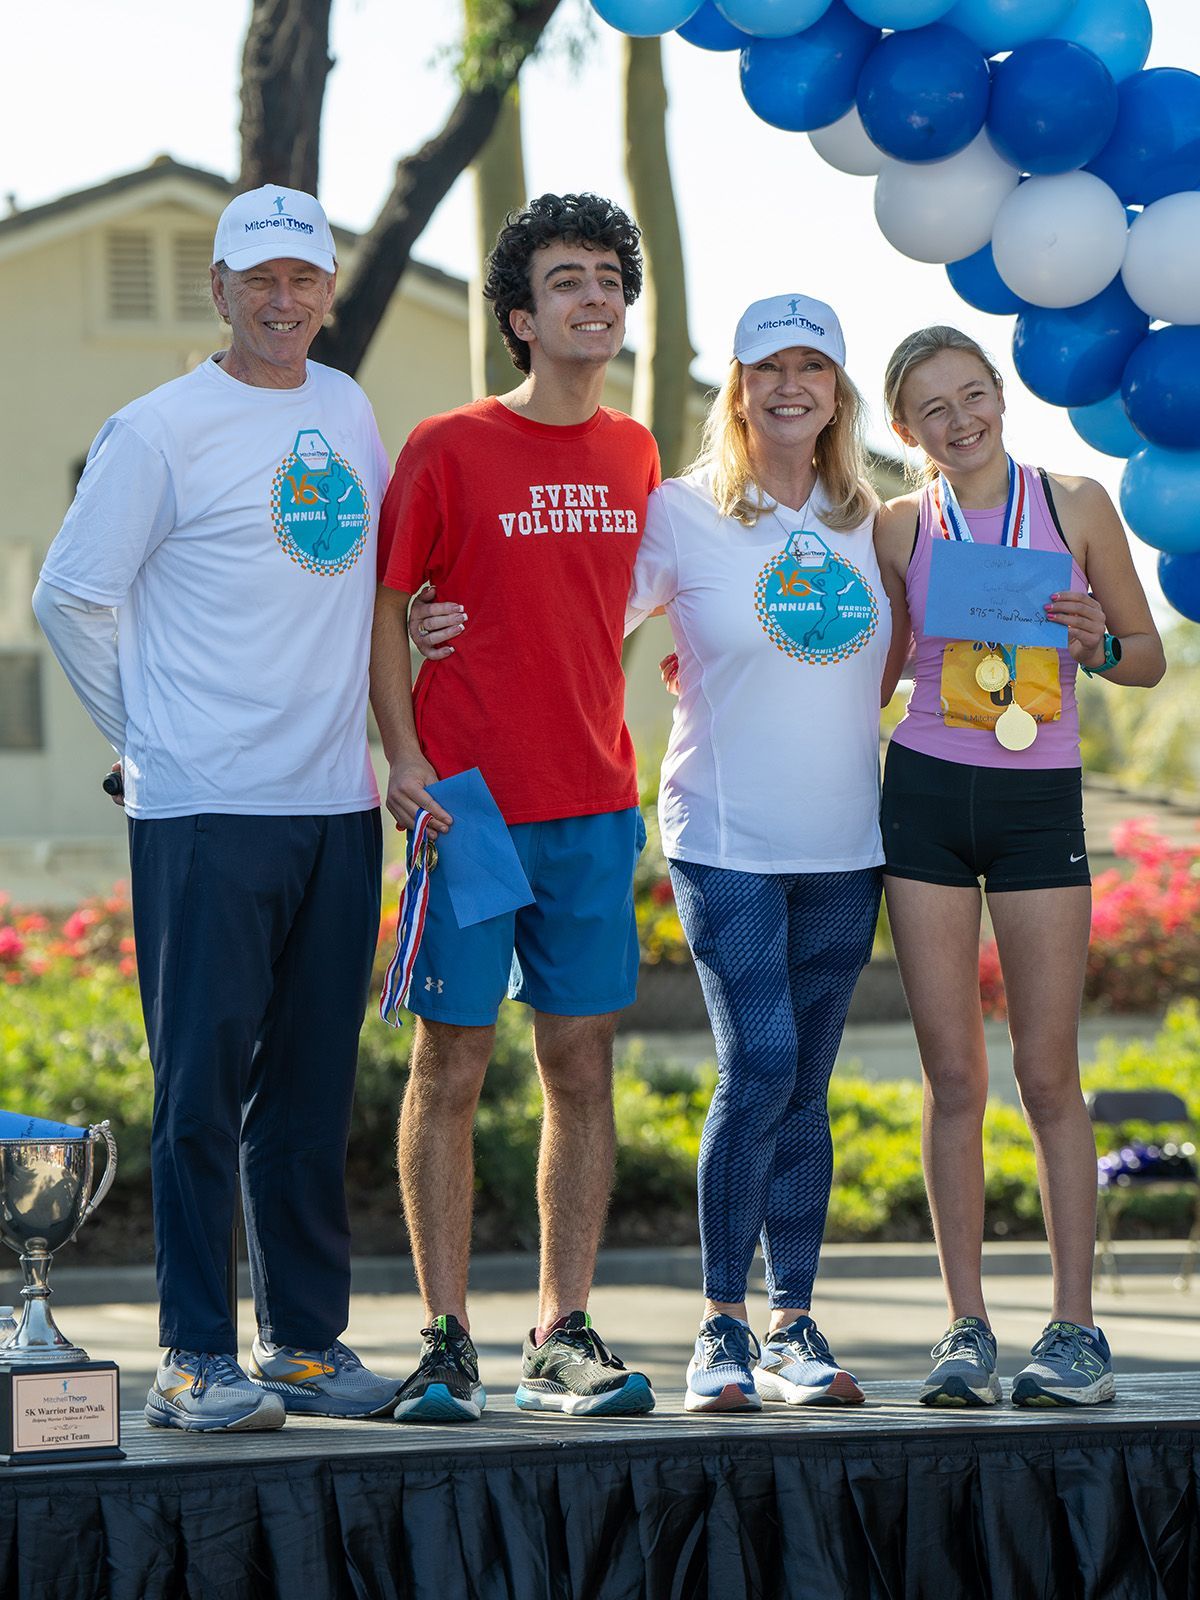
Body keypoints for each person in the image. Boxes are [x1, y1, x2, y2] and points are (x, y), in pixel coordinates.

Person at [414, 293, 890, 1414]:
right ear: (735, 388)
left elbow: (912, 643)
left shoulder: (882, 519)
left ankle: (793, 1324)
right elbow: (572, 613)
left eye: (811, 368)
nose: (790, 386)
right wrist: (424, 618)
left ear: (837, 392)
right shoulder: (678, 511)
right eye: (765, 368)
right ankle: (719, 1326)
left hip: (848, 841)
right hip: (718, 836)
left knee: (806, 1083)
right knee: (761, 1059)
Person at [33, 185, 401, 1433]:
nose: (283, 300)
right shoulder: (159, 431)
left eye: (305, 280)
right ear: (220, 290)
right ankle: (196, 1357)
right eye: (261, 280)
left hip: (335, 802)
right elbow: (67, 596)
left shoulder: (348, 409)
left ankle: (301, 1343)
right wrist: (146, 740)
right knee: (199, 1090)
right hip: (203, 807)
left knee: (308, 1089)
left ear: (328, 293)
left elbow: (373, 579)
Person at [370, 194, 660, 1423]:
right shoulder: (447, 445)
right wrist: (403, 755)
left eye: (609, 276)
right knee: (451, 1064)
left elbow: (642, 601)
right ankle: (444, 1340)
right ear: (520, 318)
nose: (595, 295)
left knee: (579, 1065)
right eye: (567, 280)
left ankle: (562, 1330)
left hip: (595, 800)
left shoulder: (640, 454)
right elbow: (385, 610)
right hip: (470, 806)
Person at [874, 325, 1165, 1408]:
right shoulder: (901, 528)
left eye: (973, 395)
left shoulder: (1076, 504)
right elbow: (871, 669)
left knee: (1050, 1075)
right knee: (953, 1077)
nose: (961, 421)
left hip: (1041, 805)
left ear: (999, 393)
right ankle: (965, 1328)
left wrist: (1093, 641)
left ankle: (1075, 1332)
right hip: (928, 801)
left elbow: (1147, 658)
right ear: (907, 431)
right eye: (934, 410)